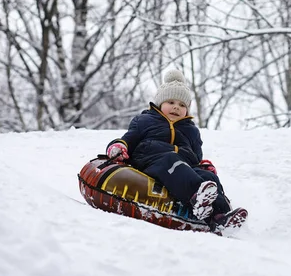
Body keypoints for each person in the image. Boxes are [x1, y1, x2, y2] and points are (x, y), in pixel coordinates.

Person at [106, 69, 247, 231]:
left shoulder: (191, 130)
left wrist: (203, 165)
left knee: (207, 176)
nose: (176, 108)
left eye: (182, 105)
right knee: (171, 159)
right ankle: (197, 197)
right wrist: (119, 145)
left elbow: (195, 157)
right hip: (151, 161)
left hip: (183, 167)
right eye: (171, 102)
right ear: (160, 103)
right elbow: (129, 138)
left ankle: (221, 217)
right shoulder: (145, 120)